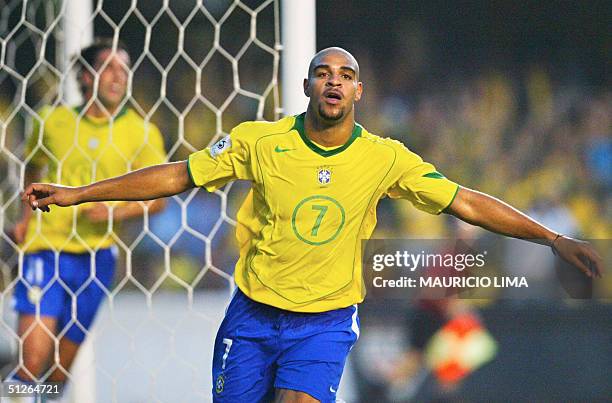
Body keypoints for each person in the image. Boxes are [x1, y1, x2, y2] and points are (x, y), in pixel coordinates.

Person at [21, 47, 602, 403]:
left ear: (358, 90)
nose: (333, 81)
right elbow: (178, 176)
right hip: (252, 315)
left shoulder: (385, 157)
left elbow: (466, 203)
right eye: (321, 72)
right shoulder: (259, 141)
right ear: (305, 86)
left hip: (323, 323)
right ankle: (28, 394)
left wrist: (552, 237)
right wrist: (77, 193)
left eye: (344, 74)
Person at [10, 38, 167, 389]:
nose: (118, 76)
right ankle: (14, 394)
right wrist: (25, 219)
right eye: (108, 67)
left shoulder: (141, 132)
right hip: (45, 248)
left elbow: (158, 200)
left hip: (97, 258)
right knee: (31, 363)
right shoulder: (52, 121)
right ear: (84, 76)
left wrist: (115, 211)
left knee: (56, 375)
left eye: (124, 69)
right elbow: (33, 170)